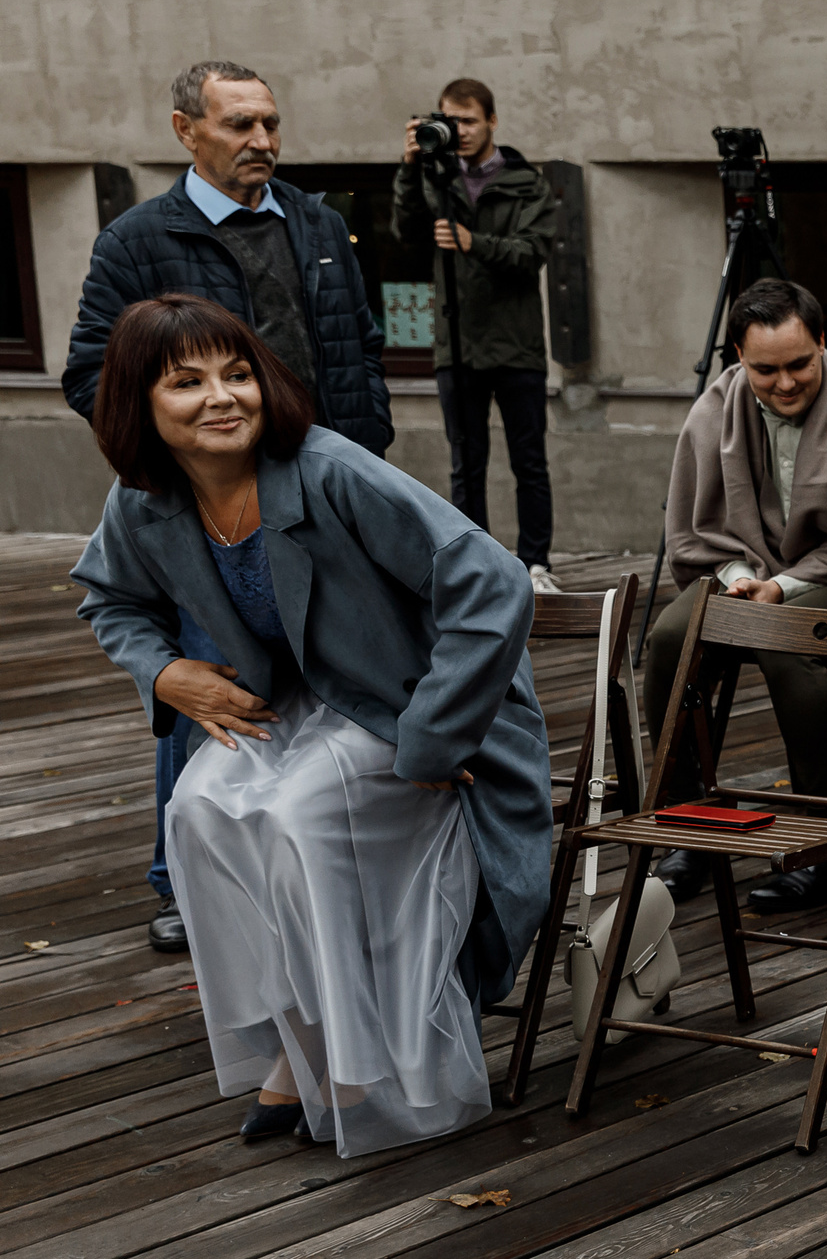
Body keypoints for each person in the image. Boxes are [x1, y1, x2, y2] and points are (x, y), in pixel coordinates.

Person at [70, 295, 550, 1157]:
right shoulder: (143, 501)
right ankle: (300, 1042)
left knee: (300, 816)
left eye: (239, 372)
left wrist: (433, 738)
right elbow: (109, 598)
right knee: (198, 810)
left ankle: (355, 1061)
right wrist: (166, 671)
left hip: (418, 702)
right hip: (303, 702)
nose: (223, 397)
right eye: (187, 382)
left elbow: (495, 582)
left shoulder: (331, 469)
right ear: (138, 404)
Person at [63, 60, 396, 959]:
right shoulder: (138, 239)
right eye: (240, 125)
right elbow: (91, 371)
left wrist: (367, 435)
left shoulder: (320, 222)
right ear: (186, 132)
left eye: (270, 124)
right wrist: (179, 448)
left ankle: (328, 845)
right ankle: (183, 876)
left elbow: (358, 344)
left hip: (326, 497)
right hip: (209, 500)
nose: (262, 142)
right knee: (211, 678)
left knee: (339, 663)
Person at [650, 277, 827, 913]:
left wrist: (783, 586)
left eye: (799, 365)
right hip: (736, 573)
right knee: (668, 639)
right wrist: (741, 578)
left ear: (823, 343)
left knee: (785, 642)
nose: (785, 383)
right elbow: (693, 531)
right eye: (765, 371)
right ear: (737, 356)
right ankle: (689, 826)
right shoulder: (712, 412)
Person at [394, 76, 562, 592]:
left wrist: (474, 242)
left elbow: (532, 253)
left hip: (517, 346)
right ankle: (476, 562)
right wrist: (409, 170)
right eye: (449, 120)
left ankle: (537, 565)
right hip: (457, 344)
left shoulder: (527, 183)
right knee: (465, 465)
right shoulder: (434, 176)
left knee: (528, 462)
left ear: (492, 120)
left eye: (468, 120)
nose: (459, 131)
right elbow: (408, 233)